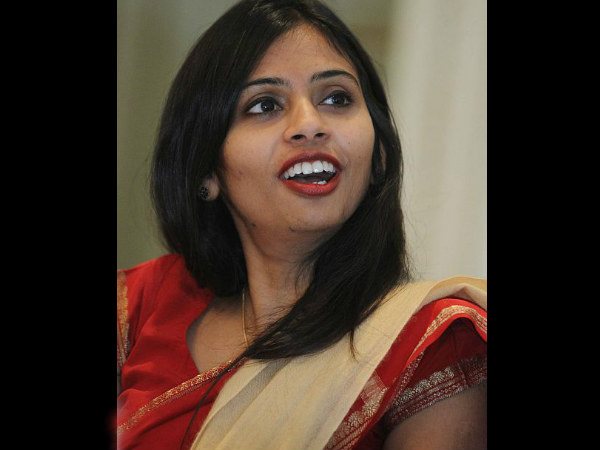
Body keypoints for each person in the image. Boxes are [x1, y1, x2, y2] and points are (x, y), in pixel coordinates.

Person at [116, 1, 487, 449]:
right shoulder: (139, 307)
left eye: (337, 98)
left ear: (378, 154)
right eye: (264, 105)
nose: (310, 125)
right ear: (206, 170)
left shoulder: (432, 346)